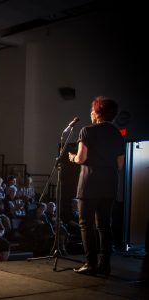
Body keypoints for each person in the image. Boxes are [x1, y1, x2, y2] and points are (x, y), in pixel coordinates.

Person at [68, 96, 125, 276]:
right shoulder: (118, 134)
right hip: (109, 184)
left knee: (86, 224)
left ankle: (90, 263)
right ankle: (105, 265)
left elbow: (81, 158)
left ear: (97, 112)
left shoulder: (87, 131)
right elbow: (120, 165)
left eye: (92, 110)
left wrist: (72, 158)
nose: (90, 113)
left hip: (89, 184)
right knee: (104, 225)